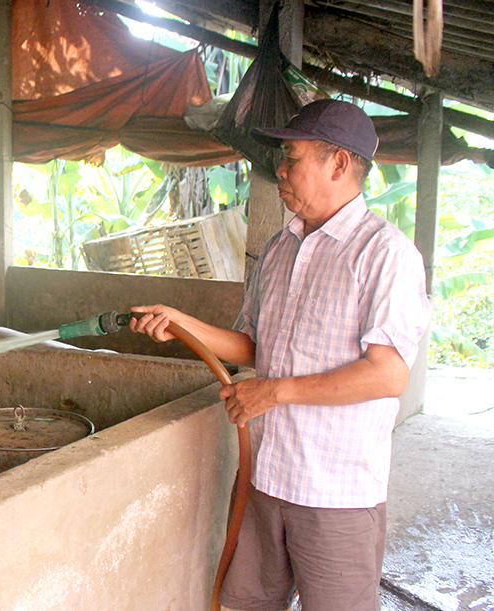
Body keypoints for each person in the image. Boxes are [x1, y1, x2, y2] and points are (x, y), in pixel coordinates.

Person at [129, 98, 430, 611]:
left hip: (335, 491)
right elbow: (253, 345)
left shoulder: (386, 254)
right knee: (247, 604)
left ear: (338, 163)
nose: (280, 171)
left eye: (292, 158)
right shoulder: (280, 247)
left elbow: (387, 375)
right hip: (264, 479)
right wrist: (182, 324)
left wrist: (275, 391)